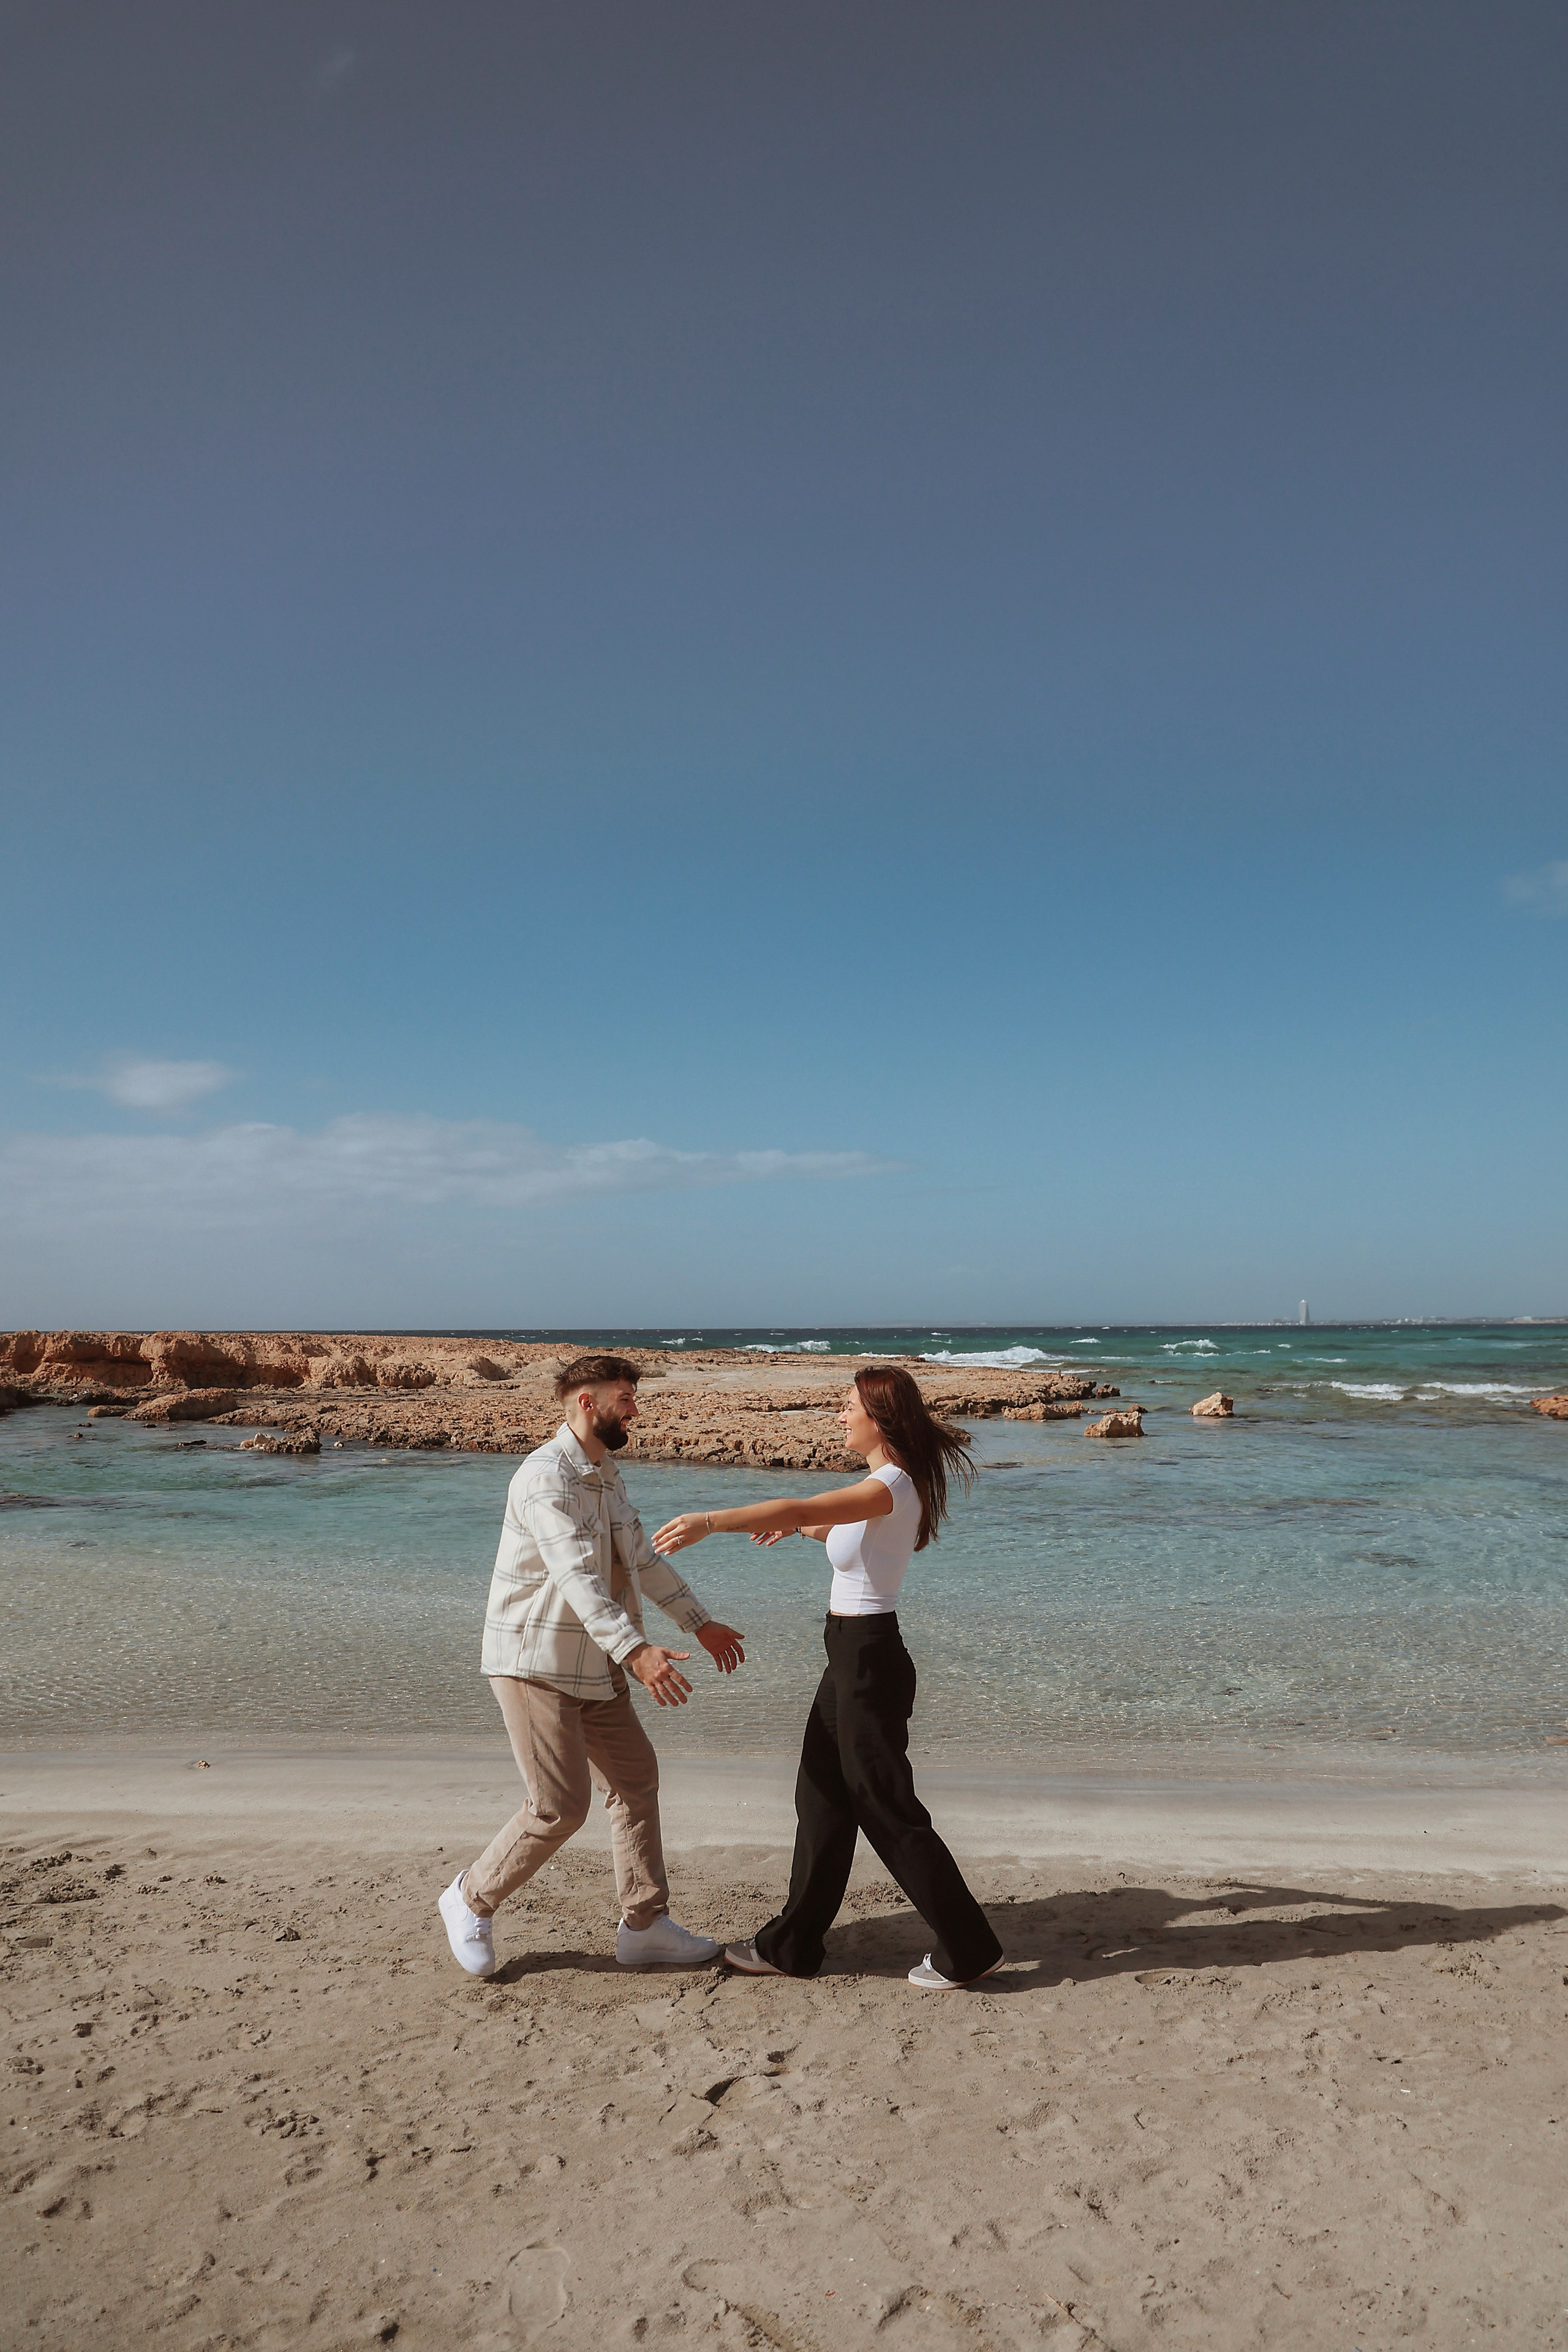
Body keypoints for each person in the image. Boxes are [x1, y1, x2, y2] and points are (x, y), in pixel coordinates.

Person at [652, 1363, 1002, 1991]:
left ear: (878, 1418)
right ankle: (793, 1945)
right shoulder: (885, 1487)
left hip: (868, 1659)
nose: (840, 1417)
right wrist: (797, 1529)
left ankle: (970, 1947)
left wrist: (711, 1520)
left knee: (886, 1810)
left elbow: (805, 1503)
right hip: (851, 1655)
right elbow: (828, 1528)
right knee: (820, 1795)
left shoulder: (888, 1484)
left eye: (848, 1407)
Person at [438, 1353, 747, 1978]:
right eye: (624, 1397)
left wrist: (699, 1621)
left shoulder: (605, 1476)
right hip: (537, 1661)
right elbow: (576, 1578)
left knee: (635, 1781)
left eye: (633, 1396)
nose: (634, 1407)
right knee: (558, 1806)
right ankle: (470, 1897)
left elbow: (642, 1558)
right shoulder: (545, 1478)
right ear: (587, 1402)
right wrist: (636, 1651)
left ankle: (644, 1925)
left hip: (596, 1662)